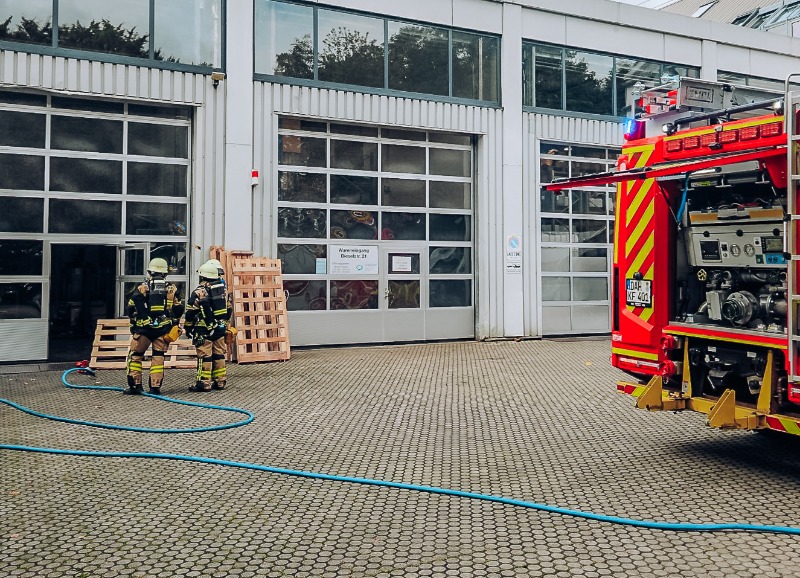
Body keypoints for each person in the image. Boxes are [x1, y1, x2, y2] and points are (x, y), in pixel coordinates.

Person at [125, 257, 184, 395]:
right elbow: (178, 310)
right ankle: (155, 388)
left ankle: (135, 386)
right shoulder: (172, 289)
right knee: (158, 357)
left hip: (143, 330)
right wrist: (174, 325)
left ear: (150, 272)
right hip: (162, 331)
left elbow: (131, 308)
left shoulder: (141, 288)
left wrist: (134, 325)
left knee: (135, 356)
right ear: (165, 273)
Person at [184, 260, 233, 392]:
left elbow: (190, 312)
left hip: (203, 330)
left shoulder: (199, 292)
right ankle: (220, 381)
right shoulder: (224, 291)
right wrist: (224, 324)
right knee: (219, 354)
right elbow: (229, 309)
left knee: (204, 356)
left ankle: (204, 383)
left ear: (203, 276)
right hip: (219, 329)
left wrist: (188, 327)